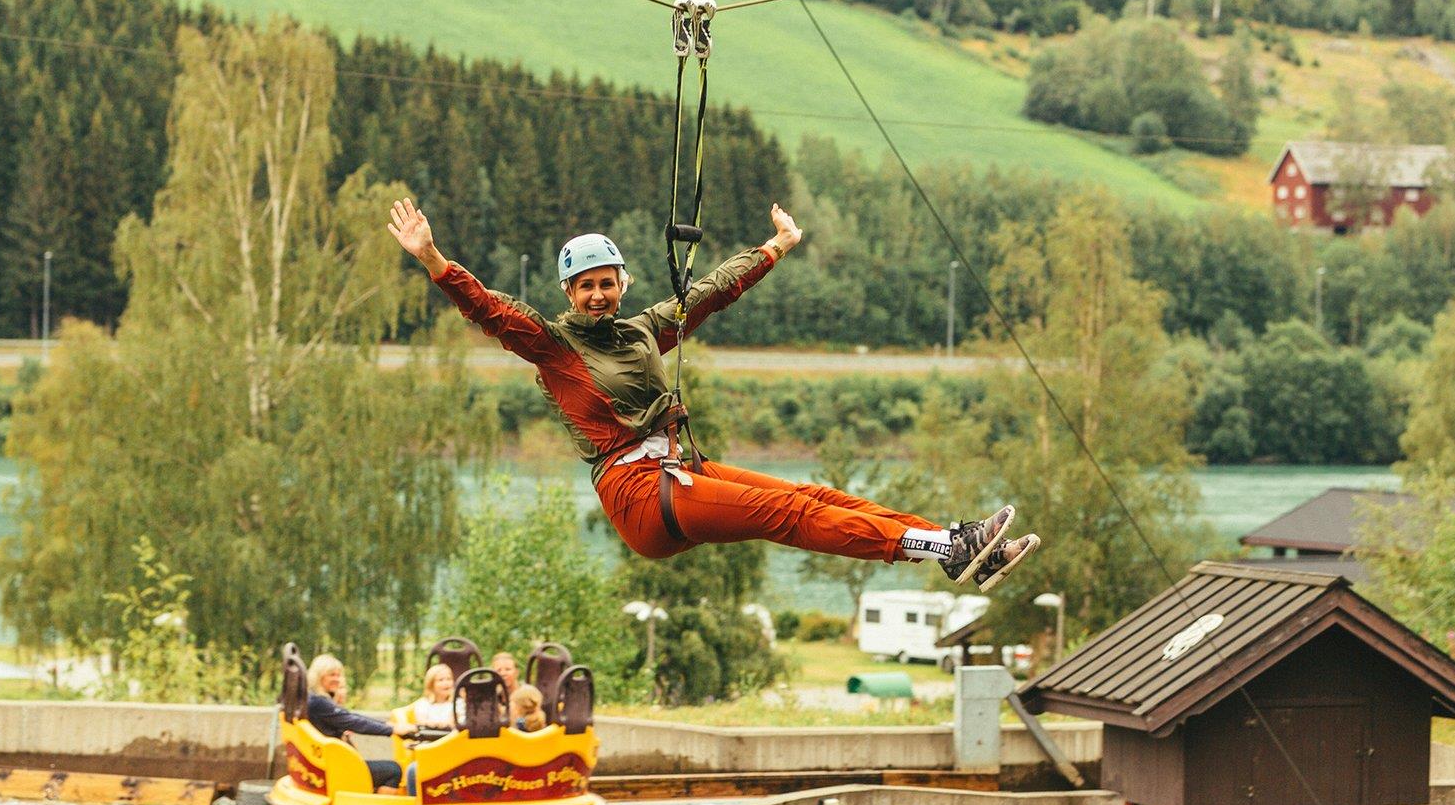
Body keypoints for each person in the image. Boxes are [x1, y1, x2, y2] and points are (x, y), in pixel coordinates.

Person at [387, 198, 1040, 590]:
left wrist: (776, 247)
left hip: (674, 472)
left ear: (622, 282)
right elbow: (492, 311)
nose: (596, 295)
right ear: (568, 295)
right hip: (640, 495)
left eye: (605, 283)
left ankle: (957, 546)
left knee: (807, 495)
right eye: (584, 287)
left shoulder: (645, 329)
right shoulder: (554, 347)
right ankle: (945, 550)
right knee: (792, 519)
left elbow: (712, 292)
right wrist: (435, 261)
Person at [304, 653, 415, 792]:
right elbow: (354, 722)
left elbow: (351, 717)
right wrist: (391, 730)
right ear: (319, 676)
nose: (337, 679)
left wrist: (389, 726)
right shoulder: (319, 702)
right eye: (332, 675)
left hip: (326, 762)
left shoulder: (314, 699)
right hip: (333, 768)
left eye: (338, 675)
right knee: (394, 770)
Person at [406, 663, 457, 730]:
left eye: (449, 679)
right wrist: (435, 724)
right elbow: (421, 722)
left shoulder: (457, 703)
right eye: (440, 680)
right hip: (429, 737)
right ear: (431, 685)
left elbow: (457, 723)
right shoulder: (423, 703)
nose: (446, 683)